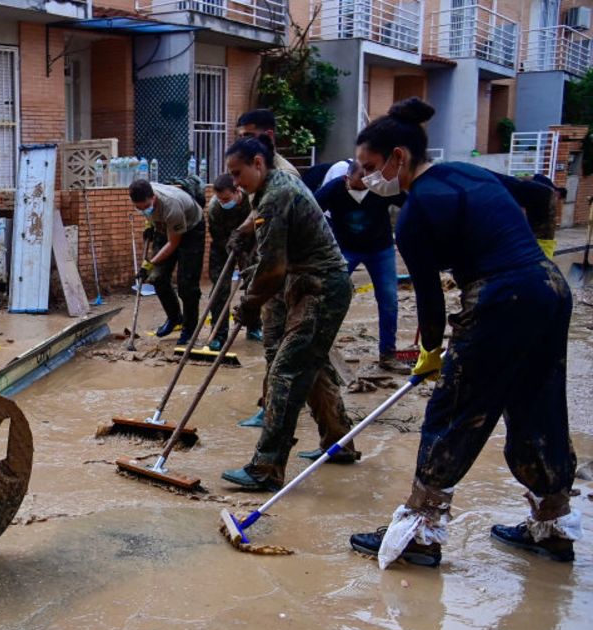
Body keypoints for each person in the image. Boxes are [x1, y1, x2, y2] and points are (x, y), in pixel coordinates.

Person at [347, 99, 580, 568]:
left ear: (399, 156)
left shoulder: (414, 215)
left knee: (454, 412)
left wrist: (430, 353)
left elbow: (431, 304)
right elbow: (539, 197)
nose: (368, 179)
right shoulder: (470, 173)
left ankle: (419, 535)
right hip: (548, 286)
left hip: (502, 297)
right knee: (538, 406)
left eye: (371, 167)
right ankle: (552, 528)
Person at [220, 135, 359, 491]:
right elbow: (264, 232)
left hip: (320, 288)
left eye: (238, 173)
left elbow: (271, 269)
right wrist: (243, 231)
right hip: (308, 284)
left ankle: (266, 468)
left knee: (286, 372)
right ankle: (338, 442)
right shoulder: (268, 190)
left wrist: (249, 304)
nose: (235, 182)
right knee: (310, 369)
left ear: (258, 163)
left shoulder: (278, 193)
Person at [315, 160, 409, 373]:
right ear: (347, 178)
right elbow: (309, 212)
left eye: (369, 178)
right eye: (360, 178)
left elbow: (410, 202)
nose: (366, 183)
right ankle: (320, 353)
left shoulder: (380, 188)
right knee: (331, 298)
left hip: (381, 250)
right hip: (345, 250)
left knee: (389, 301)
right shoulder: (334, 189)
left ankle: (388, 355)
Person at [127, 178, 205, 344]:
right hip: (165, 228)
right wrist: (150, 224)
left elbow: (173, 244)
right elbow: (150, 214)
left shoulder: (171, 206)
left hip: (191, 230)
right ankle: (175, 318)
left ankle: (189, 330)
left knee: (187, 285)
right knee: (158, 278)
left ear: (153, 197)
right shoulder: (145, 193)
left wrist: (148, 265)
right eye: (139, 208)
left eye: (145, 207)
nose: (143, 210)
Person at [203, 173, 252, 350]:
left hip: (249, 242)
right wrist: (231, 245)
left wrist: (244, 244)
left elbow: (258, 224)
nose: (223, 202)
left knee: (254, 283)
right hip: (223, 245)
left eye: (226, 198)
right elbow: (217, 236)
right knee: (219, 288)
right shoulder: (215, 208)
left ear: (237, 191)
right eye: (220, 199)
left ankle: (254, 326)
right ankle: (218, 334)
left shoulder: (251, 199)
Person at [236, 109, 301, 177]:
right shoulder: (241, 167)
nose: (243, 142)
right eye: (240, 137)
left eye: (248, 136)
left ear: (269, 135)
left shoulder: (286, 175)